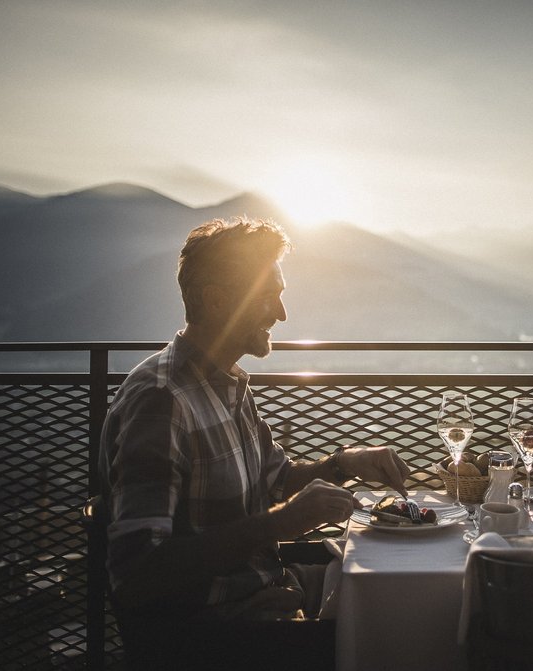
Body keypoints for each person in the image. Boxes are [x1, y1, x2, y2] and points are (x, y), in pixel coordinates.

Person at [98, 217, 410, 667]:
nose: (281, 314)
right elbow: (138, 573)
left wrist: (345, 463)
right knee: (397, 626)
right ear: (217, 300)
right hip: (221, 634)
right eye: (268, 296)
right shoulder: (161, 402)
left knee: (393, 584)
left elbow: (278, 478)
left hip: (264, 587)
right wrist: (279, 525)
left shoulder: (226, 382)